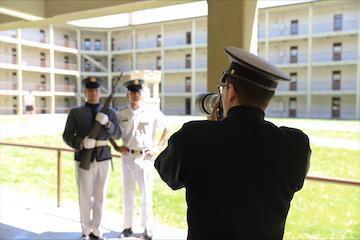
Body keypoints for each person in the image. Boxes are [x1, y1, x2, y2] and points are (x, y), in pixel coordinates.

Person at [154, 47, 311, 239]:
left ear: (231, 92)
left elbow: (167, 173)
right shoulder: (295, 145)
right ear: (268, 100)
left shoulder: (193, 137)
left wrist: (209, 128)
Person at [63, 76, 122, 240]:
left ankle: (97, 229)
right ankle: (86, 229)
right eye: (90, 90)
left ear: (100, 92)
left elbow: (118, 135)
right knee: (84, 196)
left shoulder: (110, 112)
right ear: (85, 92)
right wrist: (81, 143)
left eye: (96, 90)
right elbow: (67, 135)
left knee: (100, 196)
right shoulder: (76, 112)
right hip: (83, 157)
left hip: (103, 157)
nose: (93, 93)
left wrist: (108, 124)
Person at [116, 79, 170, 240]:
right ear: (128, 94)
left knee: (146, 195)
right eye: (132, 92)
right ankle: (127, 227)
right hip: (127, 157)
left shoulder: (151, 111)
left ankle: (148, 228)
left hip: (145, 157)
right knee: (128, 193)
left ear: (141, 94)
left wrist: (157, 147)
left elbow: (167, 128)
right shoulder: (121, 113)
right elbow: (111, 131)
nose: (135, 94)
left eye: (137, 91)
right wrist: (116, 146)